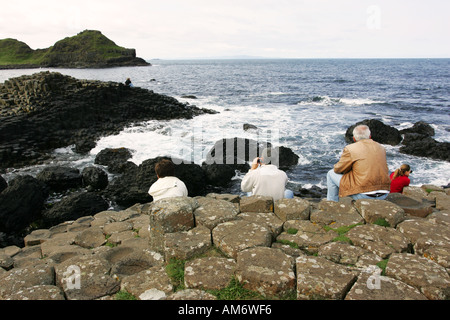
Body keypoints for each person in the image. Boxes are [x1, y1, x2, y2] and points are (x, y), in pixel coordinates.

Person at [326, 124, 391, 202]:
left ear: (354, 138)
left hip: (363, 195)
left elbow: (338, 169)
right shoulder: (381, 147)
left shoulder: (350, 148)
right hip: (384, 193)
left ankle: (332, 203)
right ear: (370, 136)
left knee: (330, 173)